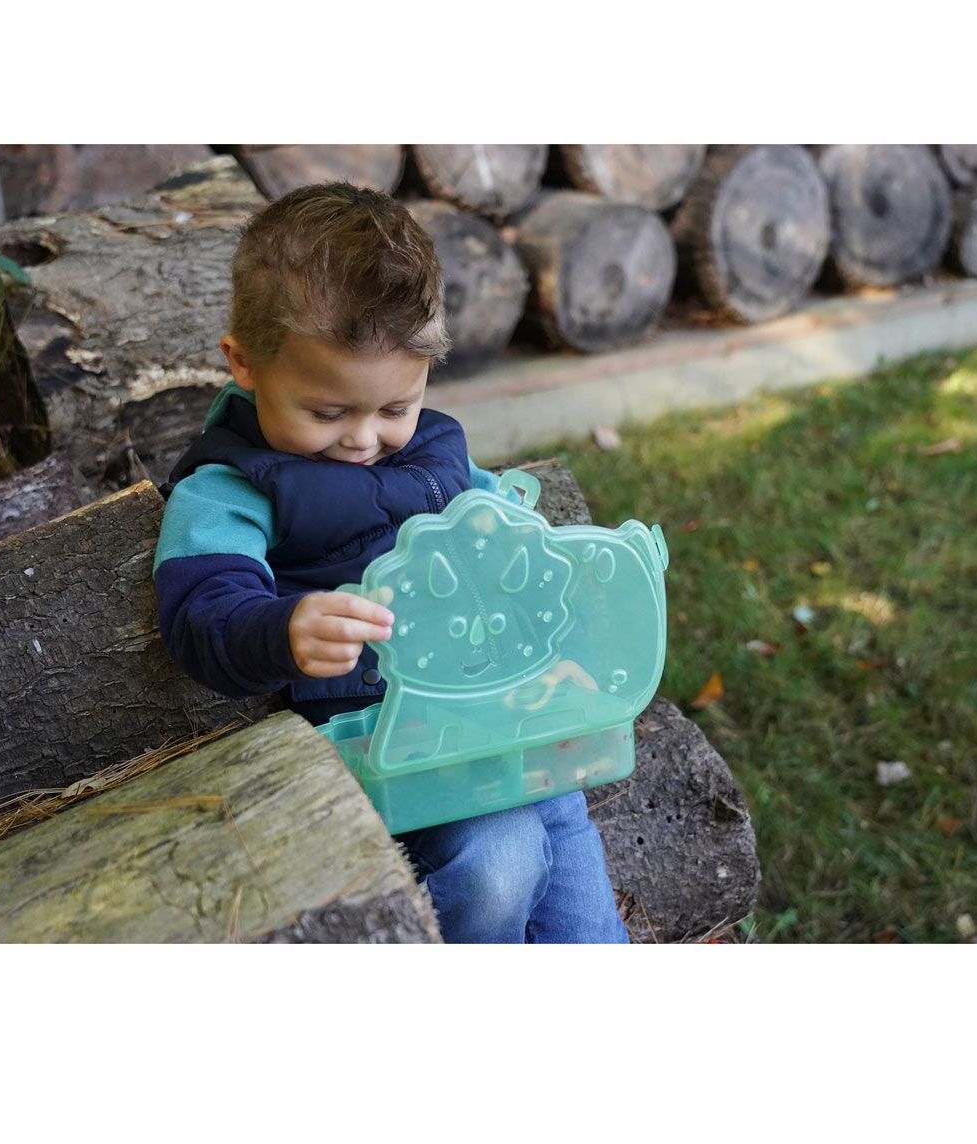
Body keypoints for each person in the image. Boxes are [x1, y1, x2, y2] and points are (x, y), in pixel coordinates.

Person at [153, 182, 628, 944]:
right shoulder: (232, 488)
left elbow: (510, 545)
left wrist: (557, 628)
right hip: (398, 751)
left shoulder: (437, 451)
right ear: (243, 364)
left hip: (510, 718)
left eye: (395, 408)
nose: (364, 440)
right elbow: (201, 610)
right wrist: (280, 629)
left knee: (583, 918)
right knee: (498, 862)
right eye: (326, 412)